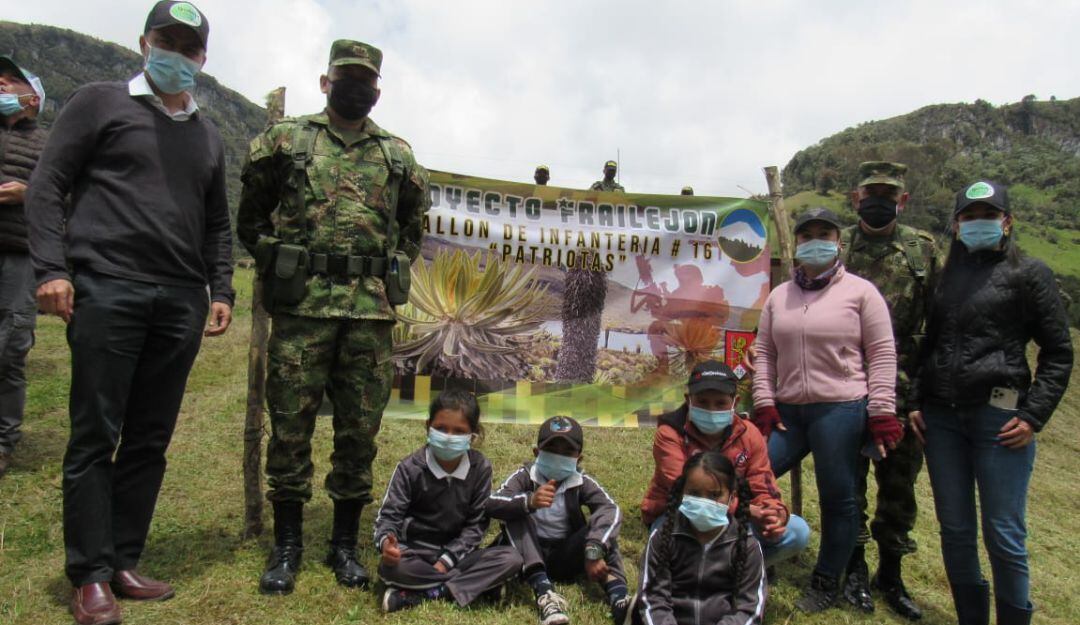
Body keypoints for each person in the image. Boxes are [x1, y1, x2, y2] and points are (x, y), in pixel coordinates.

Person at [25, 2, 234, 623]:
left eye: (189, 48)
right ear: (144, 43)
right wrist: (52, 269)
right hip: (107, 287)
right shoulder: (99, 102)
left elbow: (218, 224)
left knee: (150, 437)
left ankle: (121, 559)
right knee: (96, 432)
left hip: (179, 300)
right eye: (166, 42)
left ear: (202, 57)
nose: (177, 55)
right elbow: (47, 184)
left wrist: (220, 290)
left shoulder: (207, 134)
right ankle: (87, 575)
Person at [237, 39, 430, 594]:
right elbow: (252, 217)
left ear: (377, 90)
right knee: (290, 427)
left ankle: (344, 544)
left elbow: (413, 229)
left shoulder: (397, 156)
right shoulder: (285, 140)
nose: (356, 88)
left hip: (369, 316)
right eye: (346, 78)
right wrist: (283, 261)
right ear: (325, 82)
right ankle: (287, 545)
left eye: (366, 81)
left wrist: (382, 268)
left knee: (358, 432)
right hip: (302, 311)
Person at [909, 181, 1072, 625]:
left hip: (999, 420)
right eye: (969, 216)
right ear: (957, 223)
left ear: (1007, 221)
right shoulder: (944, 278)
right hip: (941, 419)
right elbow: (932, 343)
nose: (978, 223)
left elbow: (1058, 351)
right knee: (956, 530)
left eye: (988, 215)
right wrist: (916, 400)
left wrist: (1034, 414)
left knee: (1003, 533)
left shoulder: (1029, 274)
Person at [751, 207, 901, 613]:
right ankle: (751, 553)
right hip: (788, 412)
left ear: (838, 242)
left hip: (841, 409)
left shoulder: (861, 292)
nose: (815, 241)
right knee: (748, 476)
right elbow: (763, 351)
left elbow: (883, 353)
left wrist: (882, 410)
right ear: (797, 243)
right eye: (807, 235)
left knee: (839, 497)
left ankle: (826, 580)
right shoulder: (780, 295)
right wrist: (764, 401)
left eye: (824, 233)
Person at [839, 161, 940, 619]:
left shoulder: (923, 251)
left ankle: (892, 575)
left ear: (903, 199)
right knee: (848, 484)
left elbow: (938, 327)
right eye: (870, 193)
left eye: (888, 193)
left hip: (901, 394)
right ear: (856, 197)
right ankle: (855, 569)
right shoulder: (837, 245)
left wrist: (921, 398)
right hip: (843, 386)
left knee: (898, 487)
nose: (878, 200)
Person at [641, 360, 809, 567]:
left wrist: (774, 513)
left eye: (720, 403)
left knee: (797, 532)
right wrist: (746, 511)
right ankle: (721, 569)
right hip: (681, 514)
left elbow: (763, 482)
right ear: (688, 400)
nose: (711, 410)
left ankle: (734, 568)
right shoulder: (670, 434)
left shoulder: (750, 434)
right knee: (667, 540)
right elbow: (683, 490)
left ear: (735, 402)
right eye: (702, 402)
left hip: (736, 518)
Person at [374, 390, 522, 612]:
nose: (449, 436)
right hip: (415, 555)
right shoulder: (410, 468)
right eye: (441, 429)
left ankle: (427, 593)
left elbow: (476, 525)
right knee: (391, 569)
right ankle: (477, 586)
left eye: (459, 431)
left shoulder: (480, 468)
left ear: (472, 435)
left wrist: (445, 562)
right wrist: (387, 545)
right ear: (428, 427)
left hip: (458, 556)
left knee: (511, 559)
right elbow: (388, 518)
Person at [488, 416, 631, 625]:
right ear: (536, 453)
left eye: (567, 453)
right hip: (527, 555)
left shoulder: (582, 481)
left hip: (564, 555)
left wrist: (594, 548)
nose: (558, 457)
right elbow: (493, 502)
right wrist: (529, 502)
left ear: (578, 459)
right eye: (552, 450)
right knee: (517, 513)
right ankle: (545, 594)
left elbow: (610, 509)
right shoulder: (525, 476)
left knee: (603, 531)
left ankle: (619, 597)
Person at [633, 450, 766, 625]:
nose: (704, 503)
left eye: (714, 495)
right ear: (682, 493)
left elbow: (749, 610)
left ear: (732, 497)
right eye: (694, 493)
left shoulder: (746, 546)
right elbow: (653, 599)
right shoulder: (664, 538)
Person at [0, 56, 46, 478]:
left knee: (11, 346)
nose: (1, 84)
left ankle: (3, 441)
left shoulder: (49, 145)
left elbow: (67, 199)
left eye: (11, 81)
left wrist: (28, 194)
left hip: (20, 256)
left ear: (32, 97)